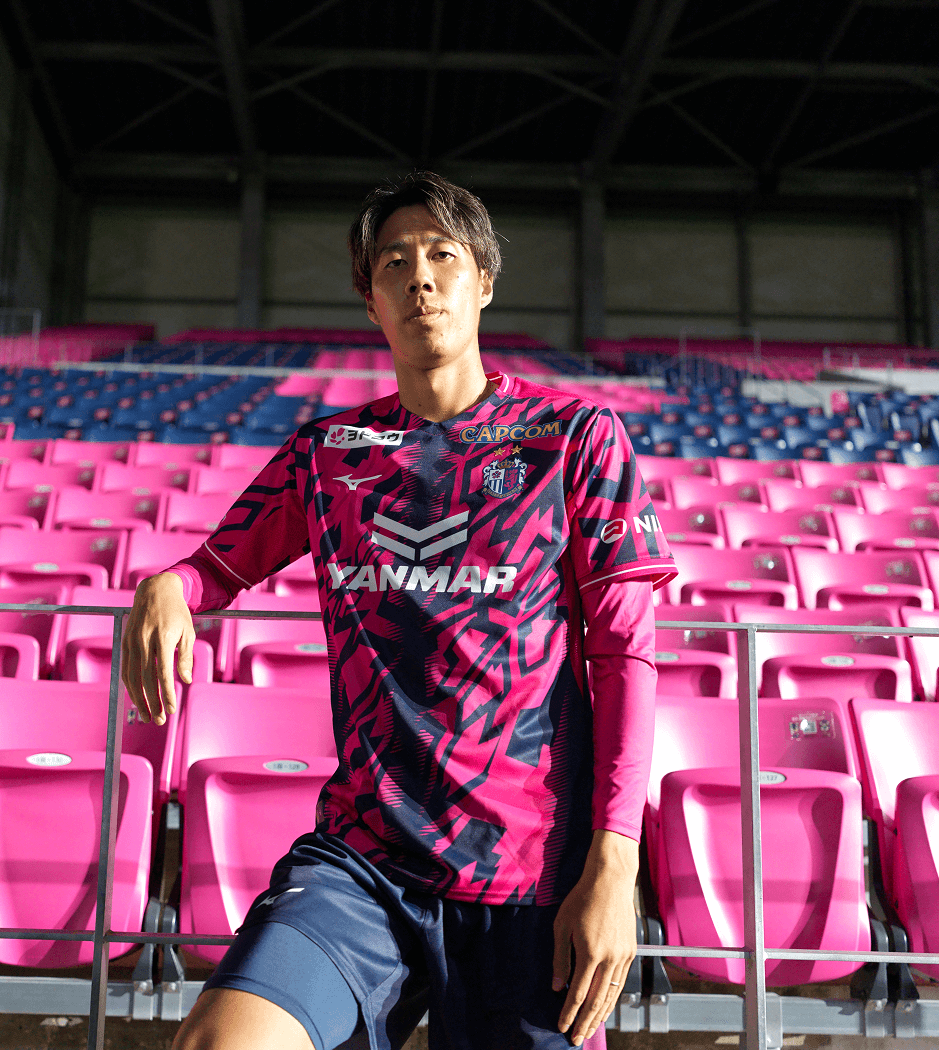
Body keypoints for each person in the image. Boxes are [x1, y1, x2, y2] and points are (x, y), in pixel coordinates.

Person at [122, 171, 675, 1050]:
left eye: (443, 256)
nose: (420, 278)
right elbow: (212, 570)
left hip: (532, 876)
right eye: (395, 262)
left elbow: (624, 659)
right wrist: (166, 586)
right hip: (365, 863)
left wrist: (614, 864)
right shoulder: (326, 454)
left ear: (483, 281)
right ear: (370, 297)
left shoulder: (574, 438)